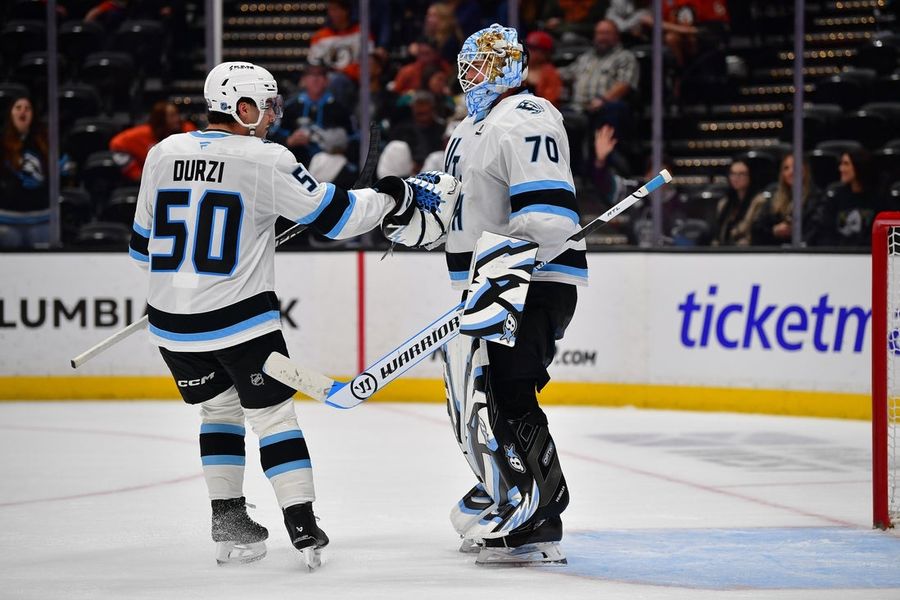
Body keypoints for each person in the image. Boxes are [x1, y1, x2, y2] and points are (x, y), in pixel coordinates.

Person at [128, 61, 459, 568]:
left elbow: (141, 249)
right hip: (239, 322)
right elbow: (342, 218)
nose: (271, 117)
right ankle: (302, 525)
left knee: (218, 412)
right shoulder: (265, 159)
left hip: (171, 326)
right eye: (265, 106)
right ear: (243, 107)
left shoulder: (162, 153)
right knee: (273, 416)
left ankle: (229, 520)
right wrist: (397, 194)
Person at [439, 23, 587, 566]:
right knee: (471, 402)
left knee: (507, 394)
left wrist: (508, 261)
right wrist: (407, 207)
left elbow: (546, 213)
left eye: (479, 64)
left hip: (529, 280)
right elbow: (454, 215)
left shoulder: (527, 115)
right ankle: (504, 488)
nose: (467, 74)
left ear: (505, 67)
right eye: (467, 64)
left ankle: (543, 509)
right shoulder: (468, 128)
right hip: (485, 286)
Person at [269, 63, 353, 166]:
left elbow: (352, 138)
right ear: (303, 80)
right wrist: (289, 141)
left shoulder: (339, 109)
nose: (315, 79)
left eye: (320, 75)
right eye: (311, 75)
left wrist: (337, 146)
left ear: (327, 81)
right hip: (296, 163)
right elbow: (273, 136)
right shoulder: (291, 106)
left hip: (330, 165)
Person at [0, 96, 49, 249]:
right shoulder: (1, 143)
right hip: (7, 221)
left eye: (27, 108)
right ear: (11, 113)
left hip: (41, 220)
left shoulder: (44, 143)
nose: (23, 111)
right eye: (18, 107)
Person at [812, 148, 887, 247]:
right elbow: (826, 232)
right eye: (841, 164)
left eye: (846, 164)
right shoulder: (835, 196)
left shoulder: (878, 198)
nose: (841, 168)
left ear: (859, 166)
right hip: (838, 255)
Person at [110, 101, 197, 182]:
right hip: (150, 181)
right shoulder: (142, 134)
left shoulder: (187, 130)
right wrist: (136, 173)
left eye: (177, 114)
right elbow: (116, 143)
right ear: (161, 119)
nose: (177, 119)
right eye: (172, 116)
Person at [750, 153, 821, 246]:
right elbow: (756, 229)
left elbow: (816, 231)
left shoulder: (816, 197)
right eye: (786, 168)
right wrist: (774, 231)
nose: (791, 172)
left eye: (795, 167)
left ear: (805, 169)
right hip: (775, 252)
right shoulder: (773, 195)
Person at [712, 158, 759, 246]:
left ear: (750, 176)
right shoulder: (724, 203)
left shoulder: (758, 202)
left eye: (741, 174)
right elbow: (718, 234)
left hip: (748, 252)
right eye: (733, 174)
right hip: (724, 252)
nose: (736, 178)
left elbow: (753, 234)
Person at [524, 30, 563, 107]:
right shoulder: (518, 68)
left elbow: (550, 103)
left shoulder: (551, 73)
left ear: (544, 53)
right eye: (527, 46)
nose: (528, 51)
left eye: (533, 48)